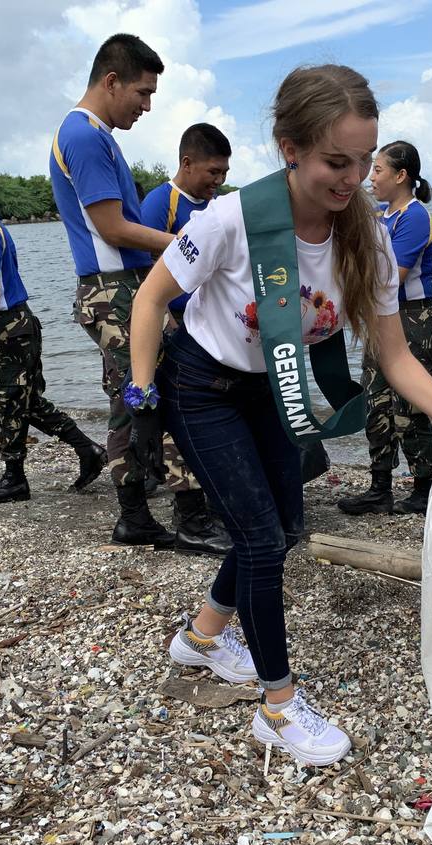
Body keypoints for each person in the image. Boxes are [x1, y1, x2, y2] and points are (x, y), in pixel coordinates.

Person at [126, 65, 432, 767]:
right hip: (202, 386)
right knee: (262, 542)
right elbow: (150, 299)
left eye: (364, 160)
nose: (354, 178)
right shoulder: (233, 217)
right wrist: (142, 396)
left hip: (266, 388)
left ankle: (201, 638)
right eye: (336, 161)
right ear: (289, 147)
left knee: (287, 528)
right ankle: (278, 707)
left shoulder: (370, 237)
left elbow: (395, 355)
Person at [51, 34, 224, 554]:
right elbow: (113, 228)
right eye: (143, 93)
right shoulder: (82, 136)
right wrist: (186, 243)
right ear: (111, 81)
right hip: (112, 292)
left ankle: (133, 517)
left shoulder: (96, 136)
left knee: (130, 403)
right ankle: (192, 515)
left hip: (116, 289)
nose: (147, 106)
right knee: (161, 393)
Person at [0, 156, 104, 504]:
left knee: (4, 404)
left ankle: (15, 480)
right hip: (15, 325)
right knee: (26, 401)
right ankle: (88, 448)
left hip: (10, 326)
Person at [138, 122, 233, 553]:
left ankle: (212, 504)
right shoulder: (161, 203)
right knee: (176, 420)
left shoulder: (220, 207)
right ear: (187, 162)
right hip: (174, 328)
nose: (218, 181)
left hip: (211, 331)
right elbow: (148, 279)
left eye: (224, 173)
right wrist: (168, 326)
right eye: (212, 171)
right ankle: (188, 516)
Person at [336, 141, 432, 516]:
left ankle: (423, 487)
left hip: (413, 319)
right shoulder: (381, 215)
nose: (372, 177)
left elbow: (390, 277)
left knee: (411, 405)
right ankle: (379, 486)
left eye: (378, 169)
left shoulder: (415, 216)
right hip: (381, 316)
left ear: (401, 176)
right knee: (376, 401)